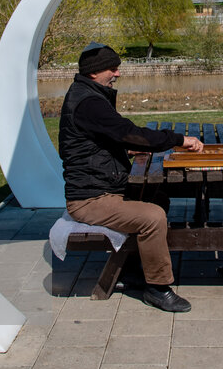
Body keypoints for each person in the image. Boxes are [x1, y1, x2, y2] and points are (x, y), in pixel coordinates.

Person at [59, 42, 204, 313]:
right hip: (89, 199)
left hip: (102, 187)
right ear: (94, 72)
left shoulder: (88, 94)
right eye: (113, 69)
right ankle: (158, 288)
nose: (118, 74)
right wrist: (178, 139)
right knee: (153, 216)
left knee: (157, 196)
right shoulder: (89, 102)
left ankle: (136, 267)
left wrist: (125, 147)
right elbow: (128, 131)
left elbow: (103, 139)